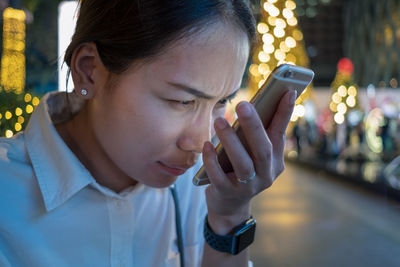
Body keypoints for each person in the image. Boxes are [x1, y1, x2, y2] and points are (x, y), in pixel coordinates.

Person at [0, 0, 296, 266]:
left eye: (221, 102)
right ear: (89, 70)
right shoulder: (7, 193)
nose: (200, 143)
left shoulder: (203, 192)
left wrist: (230, 218)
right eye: (182, 101)